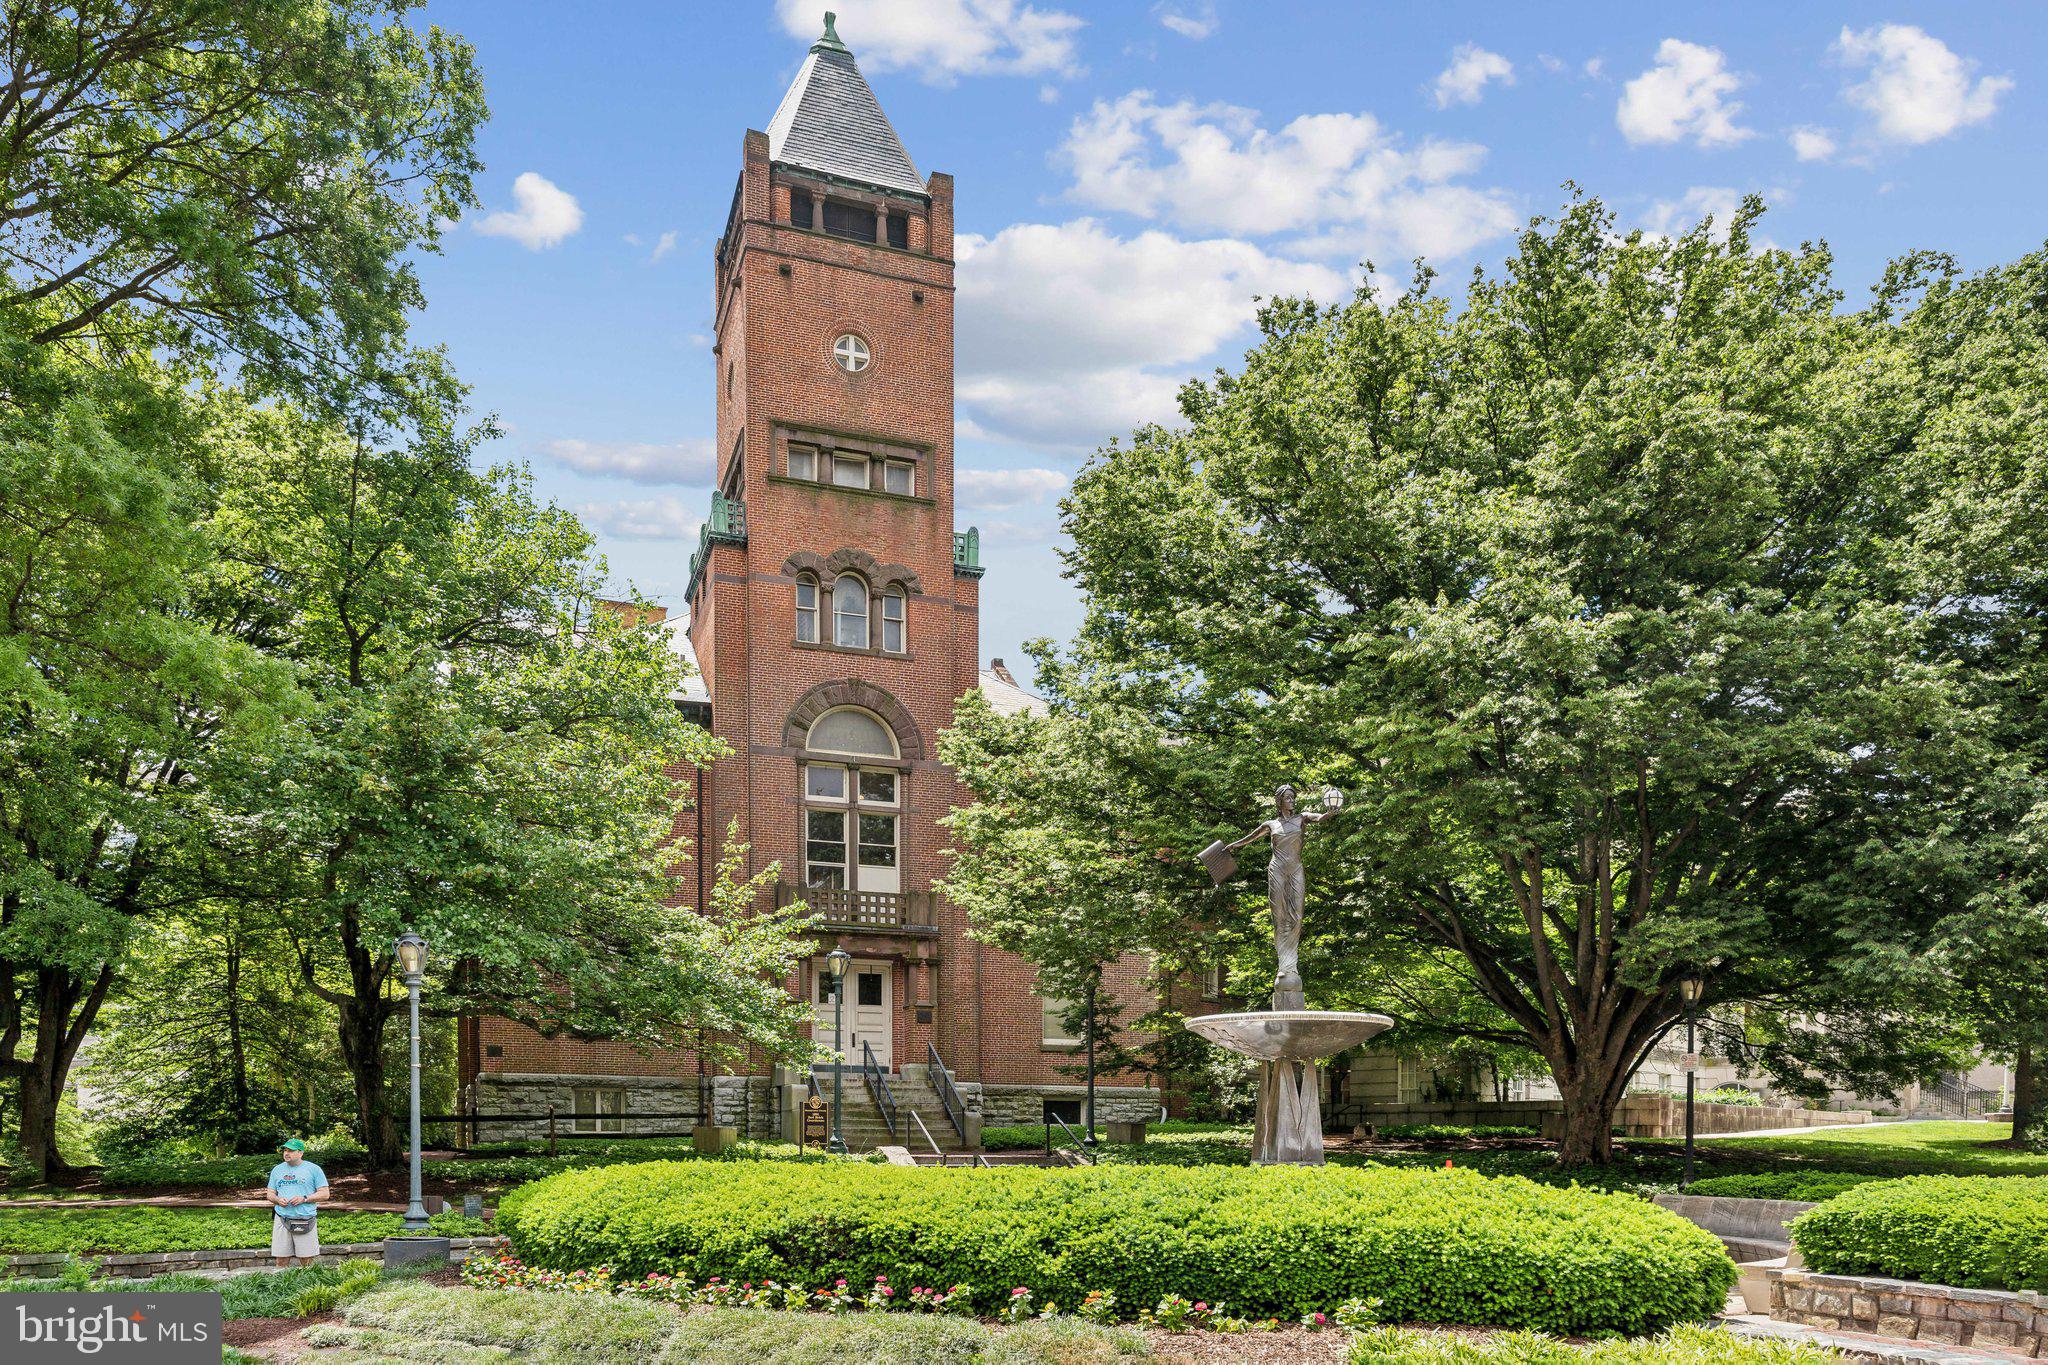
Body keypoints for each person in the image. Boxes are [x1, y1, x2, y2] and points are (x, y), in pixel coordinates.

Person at [266, 1138, 330, 1267]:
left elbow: (325, 1194)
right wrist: (277, 1200)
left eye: (291, 1150)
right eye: (285, 1150)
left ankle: (305, 1286)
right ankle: (282, 1286)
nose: (286, 1153)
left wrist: (304, 1198)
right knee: (281, 1260)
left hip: (305, 1218)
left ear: (300, 1153)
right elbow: (270, 1194)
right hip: (282, 1218)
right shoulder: (277, 1170)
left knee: (306, 1260)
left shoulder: (314, 1169)